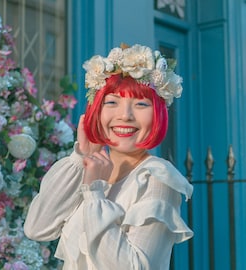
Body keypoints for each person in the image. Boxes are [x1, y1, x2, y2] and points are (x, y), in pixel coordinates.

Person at [24, 43, 193, 270]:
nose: (125, 115)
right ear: (97, 111)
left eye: (141, 104)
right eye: (112, 102)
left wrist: (94, 195)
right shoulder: (92, 169)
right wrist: (81, 158)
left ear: (157, 116)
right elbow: (37, 228)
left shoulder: (155, 178)